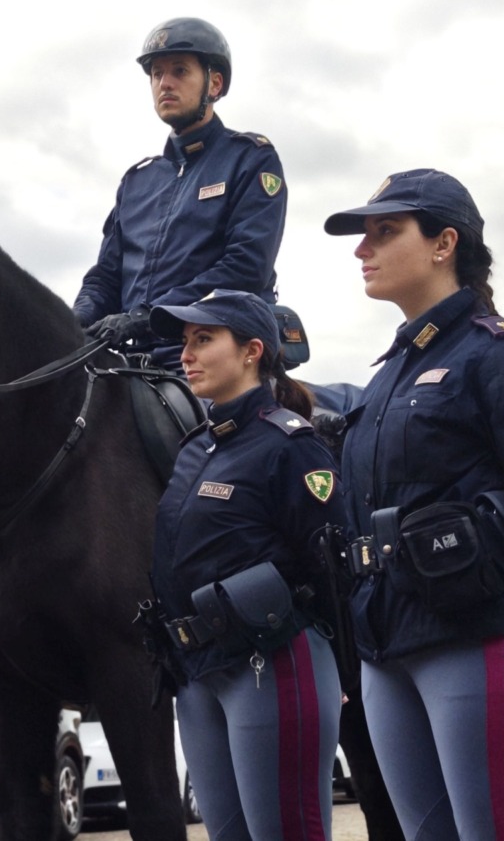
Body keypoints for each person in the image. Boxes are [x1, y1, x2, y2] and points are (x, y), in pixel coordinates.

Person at [324, 168, 504, 839]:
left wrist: (500, 587)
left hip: (482, 634)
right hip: (388, 644)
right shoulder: (386, 375)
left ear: (444, 243)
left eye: (385, 232)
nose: (363, 249)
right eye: (364, 235)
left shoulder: (495, 356)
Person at [148, 289, 344, 840]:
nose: (186, 354)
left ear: (252, 351)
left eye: (204, 339)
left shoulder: (291, 445)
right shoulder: (195, 449)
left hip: (274, 661)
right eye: (185, 342)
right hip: (198, 671)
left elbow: (330, 567)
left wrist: (342, 668)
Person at [73, 17, 288, 370]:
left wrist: (150, 316)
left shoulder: (250, 158)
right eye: (157, 74)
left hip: (215, 357)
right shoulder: (137, 181)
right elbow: (105, 278)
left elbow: (247, 266)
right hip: (129, 360)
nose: (165, 83)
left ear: (214, 84)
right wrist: (72, 323)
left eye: (179, 71)